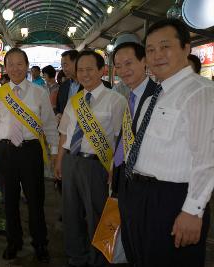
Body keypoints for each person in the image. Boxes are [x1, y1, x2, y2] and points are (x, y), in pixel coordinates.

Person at [122, 19, 214, 267]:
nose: (156, 55)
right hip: (139, 194)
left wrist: (193, 210)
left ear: (186, 48)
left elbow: (207, 158)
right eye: (150, 49)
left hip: (171, 200)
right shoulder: (158, 93)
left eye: (165, 46)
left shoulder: (201, 92)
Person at [0, 48, 58, 263]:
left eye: (20, 64)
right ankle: (13, 242)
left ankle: (40, 243)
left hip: (31, 150)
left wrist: (53, 152)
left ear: (26, 66)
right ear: (5, 68)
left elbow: (50, 126)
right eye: (11, 64)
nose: (15, 68)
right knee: (9, 201)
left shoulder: (39, 93)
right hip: (5, 151)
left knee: (36, 200)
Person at [54, 50, 126, 267]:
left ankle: (98, 260)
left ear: (102, 70)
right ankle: (76, 257)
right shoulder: (73, 100)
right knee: (71, 213)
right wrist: (59, 161)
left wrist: (115, 168)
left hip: (97, 166)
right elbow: (65, 133)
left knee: (96, 214)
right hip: (71, 162)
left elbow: (121, 139)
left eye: (89, 69)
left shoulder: (116, 100)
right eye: (80, 70)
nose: (84, 74)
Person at [110, 40, 157, 263]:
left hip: (147, 185)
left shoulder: (156, 95)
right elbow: (125, 137)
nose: (123, 70)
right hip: (125, 180)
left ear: (144, 62)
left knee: (143, 241)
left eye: (129, 63)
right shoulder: (130, 96)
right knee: (129, 237)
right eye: (118, 66)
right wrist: (115, 167)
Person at [56, 50, 81, 118]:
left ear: (77, 62)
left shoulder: (92, 85)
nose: (64, 69)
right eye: (62, 66)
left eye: (65, 65)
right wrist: (58, 114)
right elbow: (58, 107)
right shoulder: (63, 86)